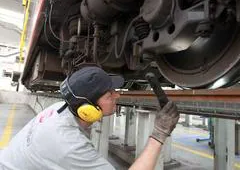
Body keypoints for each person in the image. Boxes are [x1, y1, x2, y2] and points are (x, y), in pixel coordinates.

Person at [0, 66, 179, 170]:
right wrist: (159, 134)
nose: (117, 96)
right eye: (109, 95)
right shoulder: (69, 146)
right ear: (88, 111)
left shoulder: (59, 110)